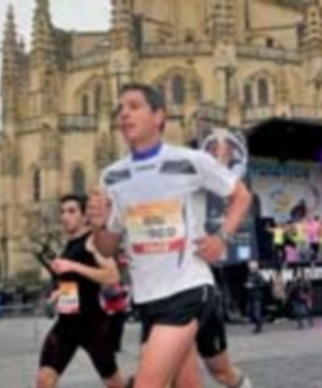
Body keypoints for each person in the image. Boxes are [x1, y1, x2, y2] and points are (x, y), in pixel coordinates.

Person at [88, 83, 253, 387]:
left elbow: (241, 196)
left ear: (159, 116)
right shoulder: (111, 176)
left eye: (134, 106)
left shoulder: (191, 161)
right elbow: (108, 247)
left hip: (188, 290)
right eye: (120, 108)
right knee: (214, 376)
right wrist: (98, 226)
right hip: (148, 299)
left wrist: (221, 238)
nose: (124, 113)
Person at [36, 194, 126, 388]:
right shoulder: (69, 245)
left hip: (94, 326)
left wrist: (73, 266)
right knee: (44, 381)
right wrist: (59, 294)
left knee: (114, 383)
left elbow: (112, 277)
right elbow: (78, 283)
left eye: (71, 211)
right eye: (62, 211)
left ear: (85, 217)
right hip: (66, 325)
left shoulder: (93, 241)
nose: (64, 216)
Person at [245, 260, 266, 334]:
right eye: (250, 267)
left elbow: (263, 284)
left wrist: (253, 286)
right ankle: (257, 325)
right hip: (251, 296)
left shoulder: (259, 275)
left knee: (257, 312)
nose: (250, 269)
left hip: (257, 296)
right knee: (251, 312)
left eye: (251, 267)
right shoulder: (250, 275)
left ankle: (259, 326)